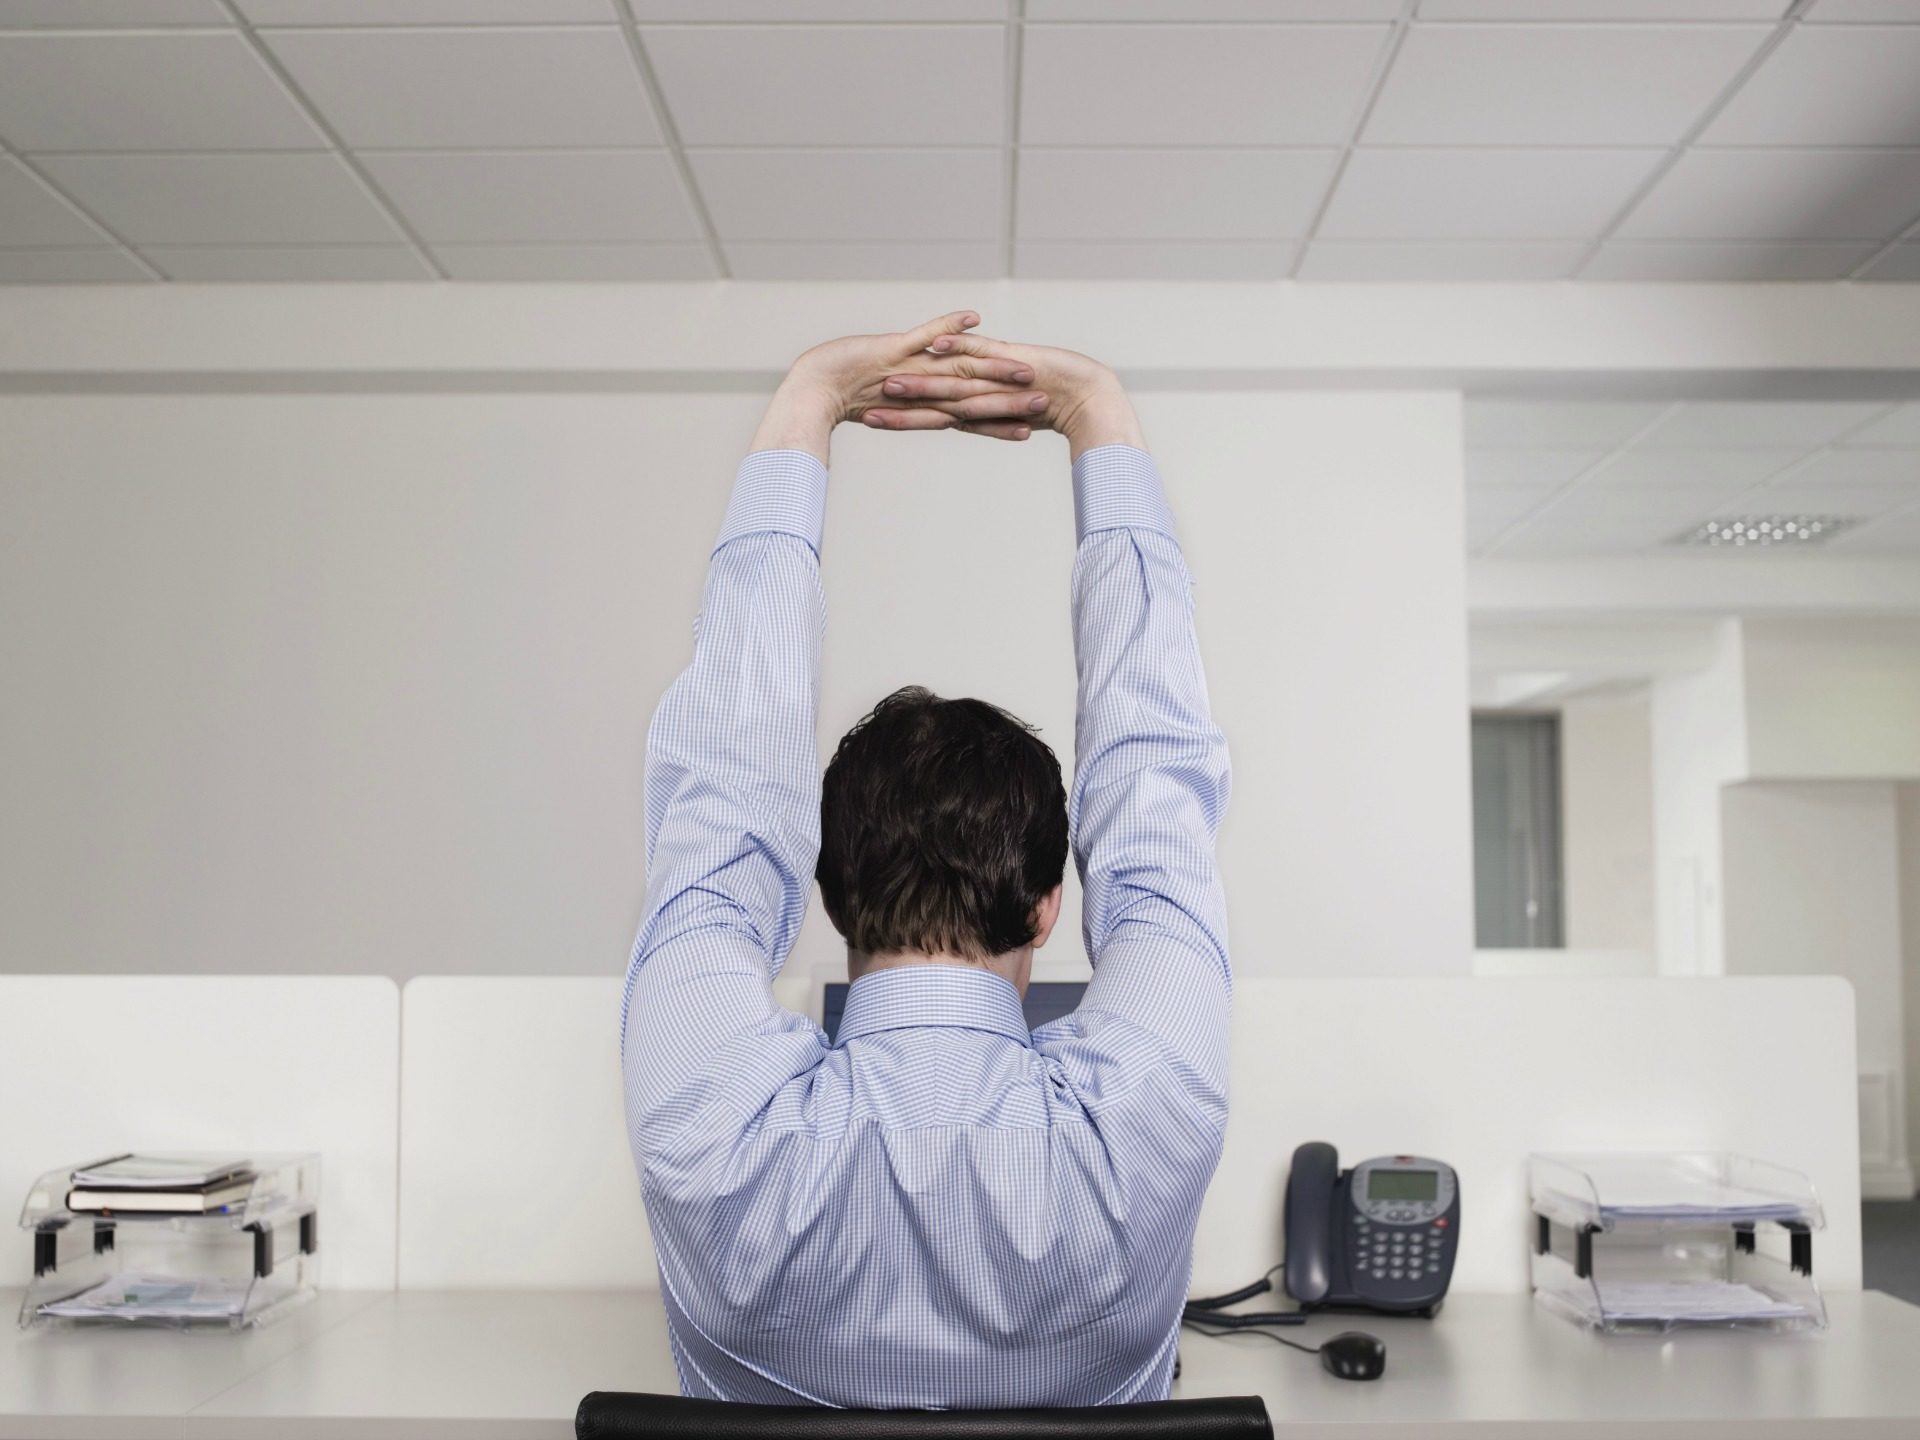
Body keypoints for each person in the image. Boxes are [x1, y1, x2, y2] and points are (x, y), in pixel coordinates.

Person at [622, 312, 1232, 1408]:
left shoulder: (708, 1120)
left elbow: (725, 798)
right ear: (1051, 907)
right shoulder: (1151, 1115)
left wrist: (809, 395)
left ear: (827, 890)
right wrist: (1097, 412)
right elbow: (1156, 803)